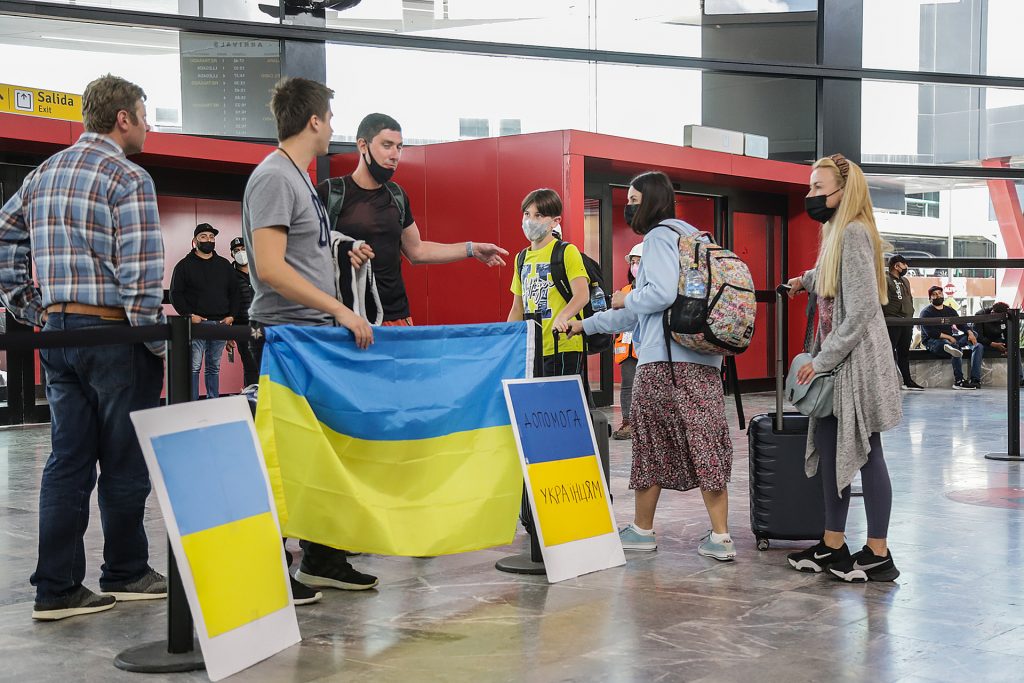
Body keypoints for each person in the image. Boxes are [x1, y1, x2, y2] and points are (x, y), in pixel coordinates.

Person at [0, 74, 167, 620]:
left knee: (66, 460)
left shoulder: (41, 174)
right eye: (144, 113)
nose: (148, 123)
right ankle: (125, 571)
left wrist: (29, 307)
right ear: (123, 117)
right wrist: (155, 342)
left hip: (57, 334)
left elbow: (4, 238)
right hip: (116, 334)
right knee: (124, 460)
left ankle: (57, 589)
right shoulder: (128, 176)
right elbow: (142, 275)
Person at [243, 77, 378, 604]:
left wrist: (342, 248)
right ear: (315, 120)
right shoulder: (275, 176)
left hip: (310, 336)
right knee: (280, 454)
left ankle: (322, 559)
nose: (333, 128)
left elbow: (297, 250)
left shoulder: (296, 177)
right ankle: (270, 564)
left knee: (320, 454)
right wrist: (342, 309)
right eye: (330, 117)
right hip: (287, 337)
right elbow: (272, 268)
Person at [562, 171, 736, 562]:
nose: (629, 204)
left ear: (651, 201)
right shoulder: (696, 236)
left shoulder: (659, 236)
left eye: (634, 198)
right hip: (704, 359)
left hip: (664, 364)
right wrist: (586, 324)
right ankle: (721, 536)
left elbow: (654, 296)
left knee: (652, 444)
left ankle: (642, 531)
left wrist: (626, 298)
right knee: (706, 441)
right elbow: (639, 314)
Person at [785, 153, 902, 582]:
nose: (810, 195)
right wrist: (805, 280)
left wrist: (819, 361)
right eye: (810, 186)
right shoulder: (838, 231)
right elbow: (834, 276)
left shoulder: (853, 231)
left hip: (855, 365)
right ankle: (834, 543)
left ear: (843, 190)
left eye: (818, 187)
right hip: (842, 365)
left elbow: (860, 310)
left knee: (867, 452)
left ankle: (878, 552)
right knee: (835, 449)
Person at [320, 113, 507, 327]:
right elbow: (305, 255)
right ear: (363, 145)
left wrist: (472, 249)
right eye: (387, 145)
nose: (395, 155)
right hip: (346, 320)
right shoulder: (331, 193)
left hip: (396, 318)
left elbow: (416, 251)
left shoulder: (396, 195)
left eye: (399, 147)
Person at [508, 188, 590, 377]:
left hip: (563, 344)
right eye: (527, 214)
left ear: (555, 221)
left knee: (561, 405)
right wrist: (510, 341)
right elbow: (517, 308)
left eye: (538, 215)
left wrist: (563, 316)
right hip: (532, 348)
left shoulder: (567, 251)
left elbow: (582, 294)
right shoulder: (520, 258)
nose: (530, 220)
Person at [170, 223, 240, 400]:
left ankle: (213, 401)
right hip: (197, 324)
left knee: (214, 367)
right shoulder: (184, 266)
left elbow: (235, 293)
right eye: (204, 237)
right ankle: (192, 404)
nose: (208, 240)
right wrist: (188, 315)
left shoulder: (224, 265)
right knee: (194, 367)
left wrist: (232, 315)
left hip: (221, 324)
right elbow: (175, 294)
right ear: (195, 241)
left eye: (211, 237)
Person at [920, 284, 983, 390]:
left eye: (940, 293)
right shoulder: (926, 312)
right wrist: (949, 338)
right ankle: (959, 381)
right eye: (934, 295)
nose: (938, 296)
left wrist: (970, 333)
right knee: (953, 347)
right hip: (933, 342)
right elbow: (931, 333)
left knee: (978, 345)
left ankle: (975, 380)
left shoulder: (949, 310)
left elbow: (961, 324)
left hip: (951, 340)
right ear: (930, 298)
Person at [613, 243, 643, 439]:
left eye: (639, 262)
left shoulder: (652, 291)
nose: (634, 266)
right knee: (627, 384)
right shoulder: (624, 290)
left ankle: (645, 425)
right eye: (633, 262)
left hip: (647, 347)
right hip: (627, 346)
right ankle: (628, 422)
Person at [882, 254, 923, 390]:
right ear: (897, 266)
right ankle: (886, 382)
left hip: (907, 320)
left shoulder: (905, 280)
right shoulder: (885, 280)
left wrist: (911, 314)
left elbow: (909, 298)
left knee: (904, 352)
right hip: (892, 321)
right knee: (888, 352)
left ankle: (907, 381)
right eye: (904, 264)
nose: (906, 267)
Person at [229, 236, 259, 387]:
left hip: (259, 324)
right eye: (236, 251)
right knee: (249, 364)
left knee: (262, 362)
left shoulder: (259, 270)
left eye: (243, 249)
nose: (240, 253)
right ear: (232, 254)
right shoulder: (229, 275)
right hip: (240, 325)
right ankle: (251, 396)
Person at [976, 301, 1022, 386]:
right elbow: (979, 337)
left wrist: (1008, 347)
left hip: (997, 340)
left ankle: (1019, 378)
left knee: (1014, 346)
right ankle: (975, 380)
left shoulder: (1005, 316)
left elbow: (1008, 334)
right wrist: (993, 344)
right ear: (993, 312)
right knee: (978, 347)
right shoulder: (980, 315)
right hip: (983, 342)